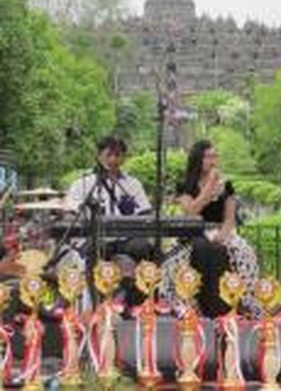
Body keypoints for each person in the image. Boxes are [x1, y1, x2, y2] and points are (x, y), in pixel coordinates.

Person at [163, 140, 259, 318]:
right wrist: (209, 186)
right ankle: (189, 304)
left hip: (220, 231)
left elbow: (229, 219)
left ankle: (236, 303)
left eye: (215, 156)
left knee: (242, 252)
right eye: (208, 156)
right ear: (198, 158)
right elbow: (191, 211)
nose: (212, 160)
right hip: (194, 232)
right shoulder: (185, 184)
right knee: (183, 255)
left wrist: (222, 235)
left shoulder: (227, 185)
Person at [64, 136, 153, 304]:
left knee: (145, 248)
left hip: (127, 238)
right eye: (109, 154)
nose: (114, 159)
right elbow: (71, 211)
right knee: (92, 251)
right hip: (98, 237)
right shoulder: (83, 183)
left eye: (119, 155)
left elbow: (145, 213)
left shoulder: (133, 184)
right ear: (99, 156)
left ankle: (137, 305)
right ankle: (95, 304)